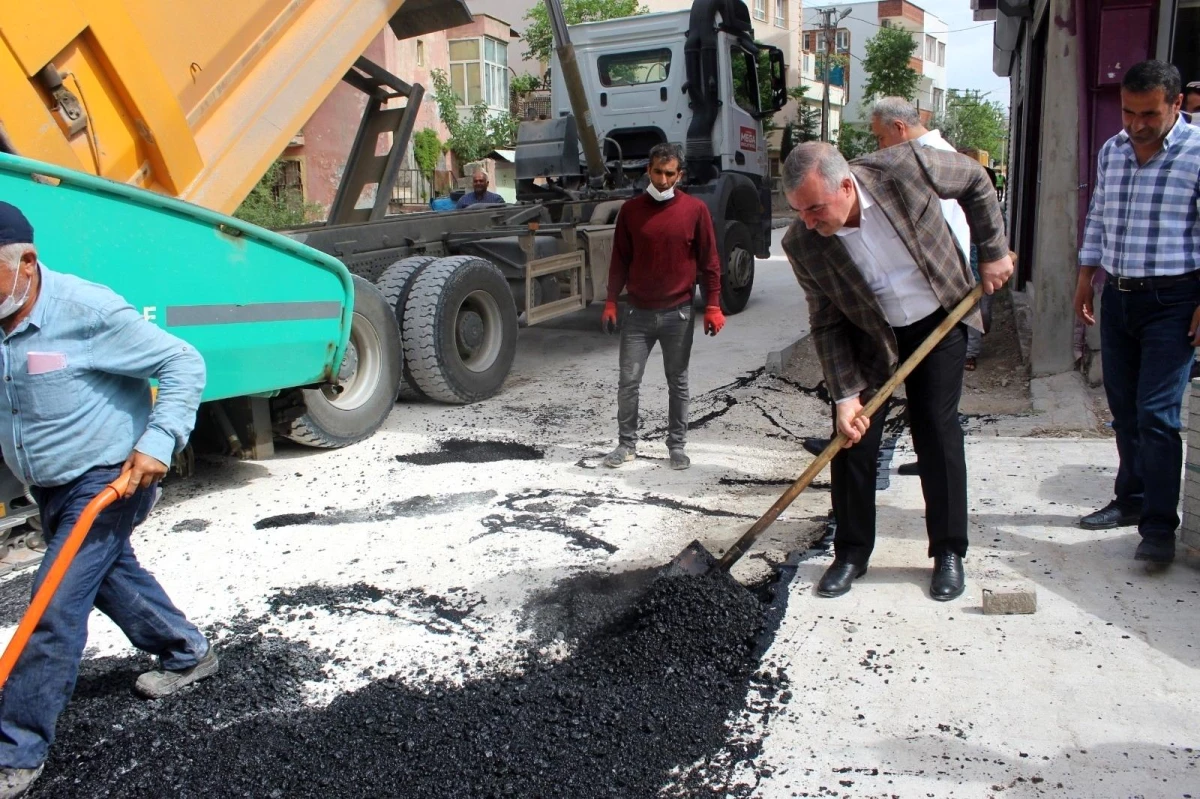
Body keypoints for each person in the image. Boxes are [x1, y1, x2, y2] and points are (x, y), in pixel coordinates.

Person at [0, 203, 216, 798]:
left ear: (26, 263)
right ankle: (187, 650)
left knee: (53, 606)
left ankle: (16, 749)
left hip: (108, 481)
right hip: (47, 485)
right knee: (110, 574)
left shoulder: (85, 312)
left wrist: (157, 442)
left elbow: (182, 361)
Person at [782, 142, 1011, 601]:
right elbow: (826, 320)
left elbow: (974, 181)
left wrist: (992, 251)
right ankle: (850, 553)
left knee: (936, 428)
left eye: (814, 209)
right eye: (799, 211)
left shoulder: (905, 168)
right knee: (851, 439)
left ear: (846, 185)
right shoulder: (802, 242)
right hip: (871, 334)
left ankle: (948, 551)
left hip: (938, 316)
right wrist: (845, 396)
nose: (808, 221)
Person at [1073, 60, 1200, 565]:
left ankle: (1158, 529)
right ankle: (1130, 499)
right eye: (1129, 112)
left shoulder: (1196, 153)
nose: (1137, 124)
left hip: (1175, 301)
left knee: (1158, 415)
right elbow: (1099, 213)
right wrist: (1086, 277)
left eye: (1149, 114)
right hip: (1119, 296)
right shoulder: (1114, 151)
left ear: (1174, 105)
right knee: (1124, 411)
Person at [601, 143, 724, 471]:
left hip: (678, 313)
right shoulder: (631, 211)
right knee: (628, 381)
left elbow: (710, 261)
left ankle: (677, 446)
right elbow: (619, 260)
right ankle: (626, 445)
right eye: (658, 172)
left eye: (671, 173)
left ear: (680, 175)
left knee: (678, 381)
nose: (664, 179)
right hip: (638, 314)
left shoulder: (695, 211)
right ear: (648, 171)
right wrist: (611, 300)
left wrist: (713, 304)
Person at [870, 98, 990, 371]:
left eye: (881, 137)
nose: (881, 147)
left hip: (939, 291)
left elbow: (937, 227)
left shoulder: (932, 159)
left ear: (899, 127)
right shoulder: (925, 154)